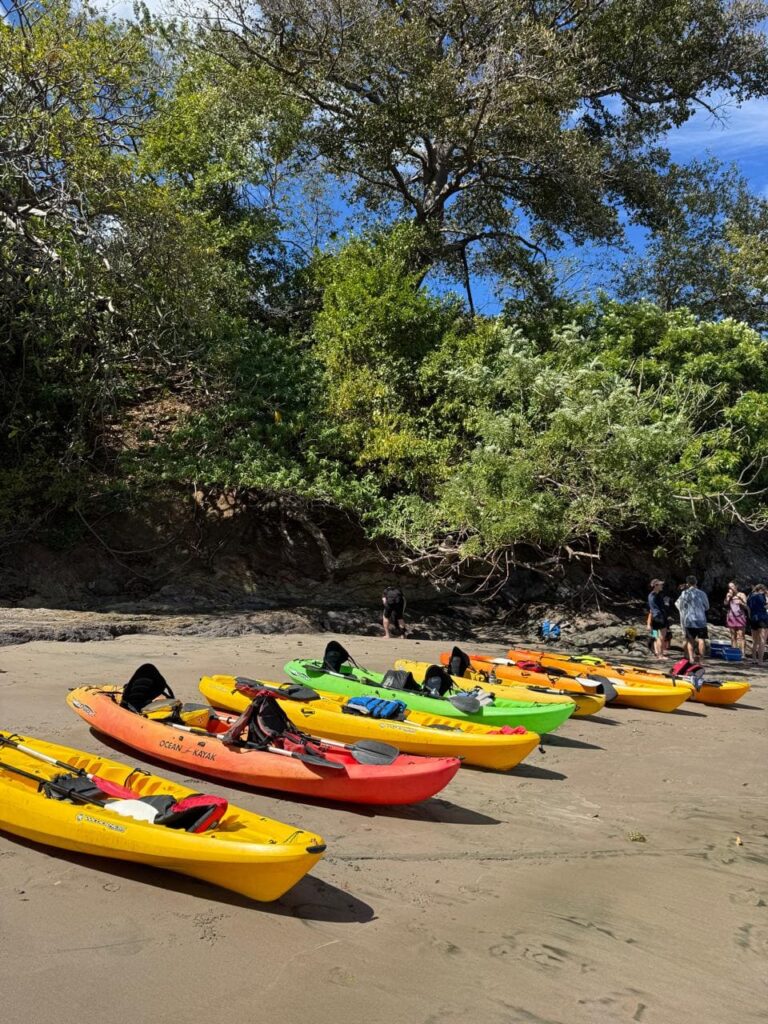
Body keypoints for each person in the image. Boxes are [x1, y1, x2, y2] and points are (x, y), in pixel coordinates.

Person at [675, 575, 710, 662]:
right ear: (696, 582)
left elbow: (681, 606)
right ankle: (701, 659)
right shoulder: (702, 593)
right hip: (701, 620)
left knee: (690, 640)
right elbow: (707, 607)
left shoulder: (684, 593)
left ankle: (691, 658)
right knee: (701, 640)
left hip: (689, 620)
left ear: (687, 583)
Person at [647, 579, 671, 659]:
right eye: (660, 584)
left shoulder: (651, 595)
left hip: (655, 617)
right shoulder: (656, 596)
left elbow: (651, 610)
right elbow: (662, 608)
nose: (662, 586)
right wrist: (666, 604)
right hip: (660, 617)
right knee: (661, 637)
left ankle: (657, 653)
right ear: (656, 586)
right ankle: (660, 655)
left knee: (656, 636)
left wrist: (649, 623)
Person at [723, 581, 748, 655]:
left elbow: (746, 606)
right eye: (729, 587)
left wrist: (741, 602)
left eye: (732, 586)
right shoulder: (728, 595)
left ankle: (742, 653)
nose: (730, 588)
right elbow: (725, 604)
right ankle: (734, 652)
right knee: (732, 636)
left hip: (740, 617)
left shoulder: (741, 594)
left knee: (741, 636)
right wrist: (728, 597)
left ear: (736, 586)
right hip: (731, 617)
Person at [746, 583, 768, 664]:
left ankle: (754, 659)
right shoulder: (761, 595)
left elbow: (748, 607)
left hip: (753, 619)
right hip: (762, 618)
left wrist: (750, 616)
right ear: (762, 589)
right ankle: (760, 661)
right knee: (762, 641)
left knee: (755, 641)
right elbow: (764, 607)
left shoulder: (750, 595)